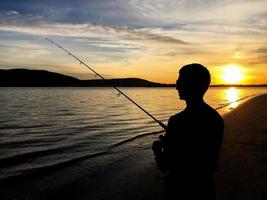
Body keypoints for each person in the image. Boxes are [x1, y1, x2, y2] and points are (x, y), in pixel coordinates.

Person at [152, 63, 224, 199]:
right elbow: (209, 162)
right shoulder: (216, 118)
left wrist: (157, 149)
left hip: (179, 190)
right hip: (205, 189)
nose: (177, 86)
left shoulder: (176, 121)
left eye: (180, 81)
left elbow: (165, 165)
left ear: (192, 84)